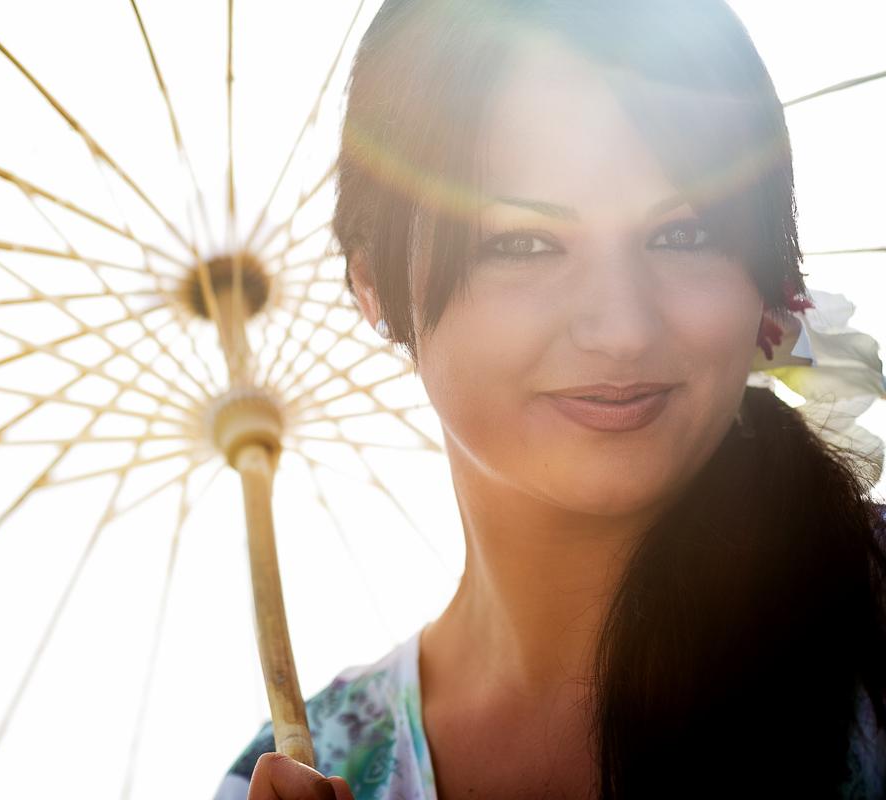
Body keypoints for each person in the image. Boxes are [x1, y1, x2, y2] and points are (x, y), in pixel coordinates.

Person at [214, 0, 886, 797]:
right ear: (373, 282)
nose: (624, 330)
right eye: (524, 243)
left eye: (685, 232)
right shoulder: (304, 765)